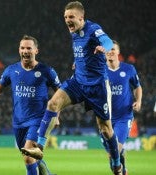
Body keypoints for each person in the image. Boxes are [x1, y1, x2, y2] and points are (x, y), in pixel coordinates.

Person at [21, 1, 123, 175]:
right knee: (53, 104)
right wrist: (79, 62)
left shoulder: (92, 28)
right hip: (78, 82)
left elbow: (106, 41)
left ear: (81, 18)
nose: (67, 20)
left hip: (97, 87)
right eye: (65, 17)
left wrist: (103, 47)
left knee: (106, 129)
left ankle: (116, 163)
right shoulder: (74, 32)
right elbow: (83, 51)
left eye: (71, 17)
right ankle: (39, 147)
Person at [0, 35, 61, 175]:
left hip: (38, 120)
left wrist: (56, 116)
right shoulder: (11, 70)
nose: (25, 51)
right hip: (18, 122)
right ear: (19, 50)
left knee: (28, 157)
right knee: (32, 158)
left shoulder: (47, 71)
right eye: (22, 48)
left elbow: (61, 94)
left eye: (29, 48)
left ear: (36, 51)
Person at [102, 40, 142, 175]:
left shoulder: (128, 69)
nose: (110, 51)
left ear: (118, 52)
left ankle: (121, 169)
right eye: (108, 49)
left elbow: (137, 86)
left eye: (113, 49)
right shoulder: (100, 70)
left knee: (116, 150)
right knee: (111, 157)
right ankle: (122, 170)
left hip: (123, 117)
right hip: (104, 119)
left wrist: (139, 101)